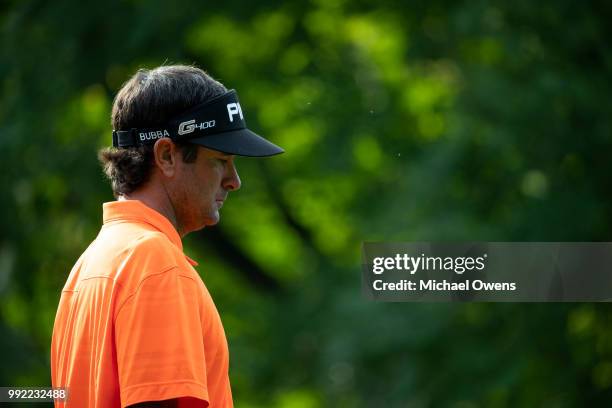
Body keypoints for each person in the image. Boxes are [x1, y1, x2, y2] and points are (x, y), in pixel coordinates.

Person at [50, 65, 283, 408]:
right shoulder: (155, 263)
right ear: (166, 155)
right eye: (221, 160)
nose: (234, 180)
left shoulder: (90, 266)